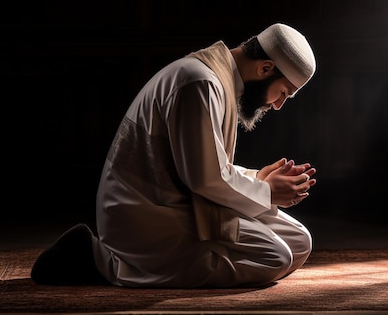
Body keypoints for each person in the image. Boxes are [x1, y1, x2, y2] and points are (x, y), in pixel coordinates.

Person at [31, 23, 318, 288]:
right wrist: (265, 192)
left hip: (179, 200)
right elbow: (203, 178)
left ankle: (208, 250)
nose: (279, 105)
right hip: (146, 212)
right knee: (276, 257)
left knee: (299, 242)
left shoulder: (219, 79)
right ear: (266, 68)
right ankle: (102, 260)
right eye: (284, 93)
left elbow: (200, 163)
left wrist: (258, 178)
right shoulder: (201, 82)